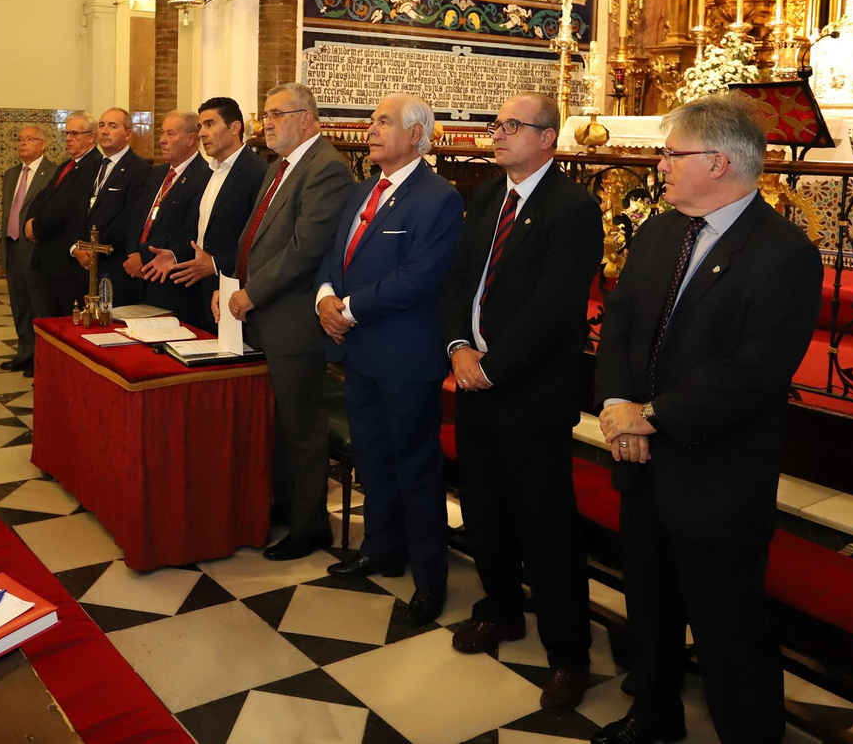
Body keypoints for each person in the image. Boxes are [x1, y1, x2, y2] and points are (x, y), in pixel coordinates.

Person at [593, 95, 822, 744]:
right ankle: (655, 712)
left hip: (716, 474)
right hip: (641, 464)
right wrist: (615, 407)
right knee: (651, 609)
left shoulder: (782, 253)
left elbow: (754, 369)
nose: (660, 164)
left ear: (718, 161)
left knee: (729, 628)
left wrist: (652, 415)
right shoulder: (663, 229)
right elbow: (619, 327)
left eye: (673, 153)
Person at [439, 92, 602, 711]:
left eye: (512, 126)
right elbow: (457, 280)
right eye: (497, 124)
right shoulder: (486, 195)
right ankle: (500, 609)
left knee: (546, 524)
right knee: (483, 509)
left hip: (529, 391)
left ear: (548, 139)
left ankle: (568, 654)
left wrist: (493, 367)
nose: (498, 134)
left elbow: (554, 308)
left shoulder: (573, 208)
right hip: (473, 379)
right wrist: (458, 348)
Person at [316, 94, 462, 626]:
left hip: (404, 356)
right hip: (360, 353)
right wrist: (324, 298)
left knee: (416, 470)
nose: (370, 129)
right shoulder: (362, 190)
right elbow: (334, 257)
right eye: (372, 120)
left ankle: (429, 578)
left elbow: (419, 277)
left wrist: (348, 309)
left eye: (383, 121)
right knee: (373, 460)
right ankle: (382, 549)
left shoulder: (437, 197)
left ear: (417, 135)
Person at [218, 82, 352, 559]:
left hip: (293, 320)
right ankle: (285, 506)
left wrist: (251, 293)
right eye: (266, 114)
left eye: (277, 114)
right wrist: (231, 287)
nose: (267, 122)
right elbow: (253, 239)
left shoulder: (327, 169)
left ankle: (311, 527)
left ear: (307, 119)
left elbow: (305, 249)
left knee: (302, 429)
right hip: (262, 313)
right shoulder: (280, 167)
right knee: (274, 424)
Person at [167, 96, 267, 332]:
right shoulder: (208, 171)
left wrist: (214, 263)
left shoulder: (257, 173)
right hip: (197, 290)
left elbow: (261, 242)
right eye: (200, 126)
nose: (202, 133)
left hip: (233, 290)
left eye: (210, 125)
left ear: (234, 128)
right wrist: (174, 254)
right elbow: (200, 231)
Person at [128, 110, 211, 320]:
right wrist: (133, 253)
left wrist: (144, 256)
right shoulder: (157, 173)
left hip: (172, 282)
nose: (162, 141)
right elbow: (139, 219)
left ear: (191, 139)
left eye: (170, 134)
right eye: (162, 133)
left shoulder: (205, 176)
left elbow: (191, 230)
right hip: (140, 278)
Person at [23, 111, 101, 317]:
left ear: (91, 137)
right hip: (49, 257)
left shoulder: (94, 165)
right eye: (66, 133)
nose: (68, 138)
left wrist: (37, 227)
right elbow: (43, 196)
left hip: (66, 263)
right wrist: (29, 220)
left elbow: (67, 208)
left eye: (75, 133)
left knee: (63, 320)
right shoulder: (67, 164)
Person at [75, 106, 151, 305]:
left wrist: (96, 247)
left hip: (115, 265)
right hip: (84, 265)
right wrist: (78, 247)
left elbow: (131, 218)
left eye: (112, 126)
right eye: (101, 125)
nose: (105, 131)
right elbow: (77, 211)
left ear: (128, 134)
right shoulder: (90, 166)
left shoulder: (140, 169)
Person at [0, 125, 55, 375]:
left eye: (29, 139)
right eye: (20, 139)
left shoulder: (52, 173)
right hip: (13, 246)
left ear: (43, 144)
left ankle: (42, 358)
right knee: (19, 304)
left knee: (39, 305)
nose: (23, 143)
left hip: (35, 249)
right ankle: (24, 352)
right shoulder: (12, 174)